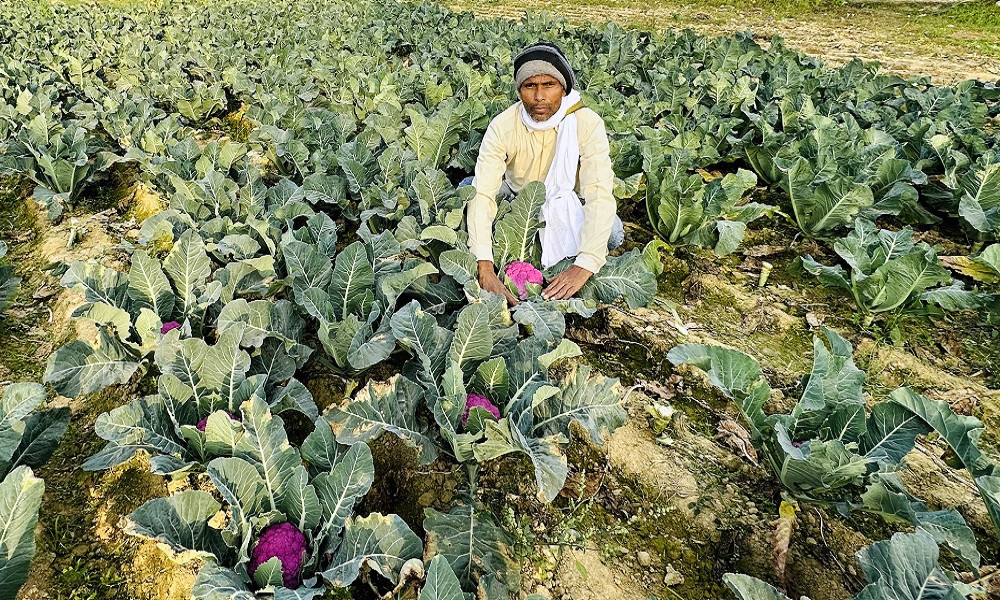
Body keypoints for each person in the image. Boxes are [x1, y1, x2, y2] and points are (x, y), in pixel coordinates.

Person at [462, 41, 623, 306]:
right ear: (519, 90)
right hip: (516, 198)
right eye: (530, 86)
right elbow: (484, 193)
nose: (539, 97)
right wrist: (485, 268)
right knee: (467, 194)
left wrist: (583, 267)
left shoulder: (587, 124)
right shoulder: (503, 125)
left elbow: (599, 194)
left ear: (564, 88)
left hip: (565, 201)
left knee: (613, 232)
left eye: (549, 85)